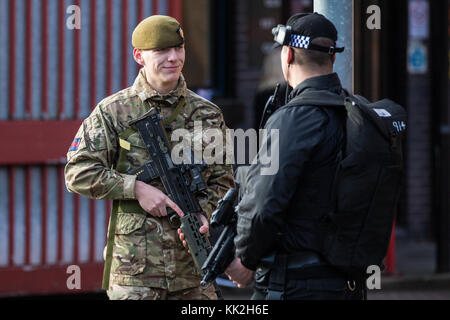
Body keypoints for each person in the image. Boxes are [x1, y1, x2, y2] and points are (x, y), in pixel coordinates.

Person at [64, 15, 234, 300]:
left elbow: (223, 179)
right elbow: (77, 172)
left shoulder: (207, 113)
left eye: (178, 49)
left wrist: (204, 213)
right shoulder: (114, 111)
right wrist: (136, 188)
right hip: (136, 272)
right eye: (161, 51)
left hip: (193, 269)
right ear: (139, 56)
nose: (173, 58)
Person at [225, 12, 365, 300]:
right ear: (333, 59)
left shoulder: (293, 118)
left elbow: (265, 204)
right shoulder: (358, 113)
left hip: (293, 284)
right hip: (346, 283)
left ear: (287, 55)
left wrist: (245, 260)